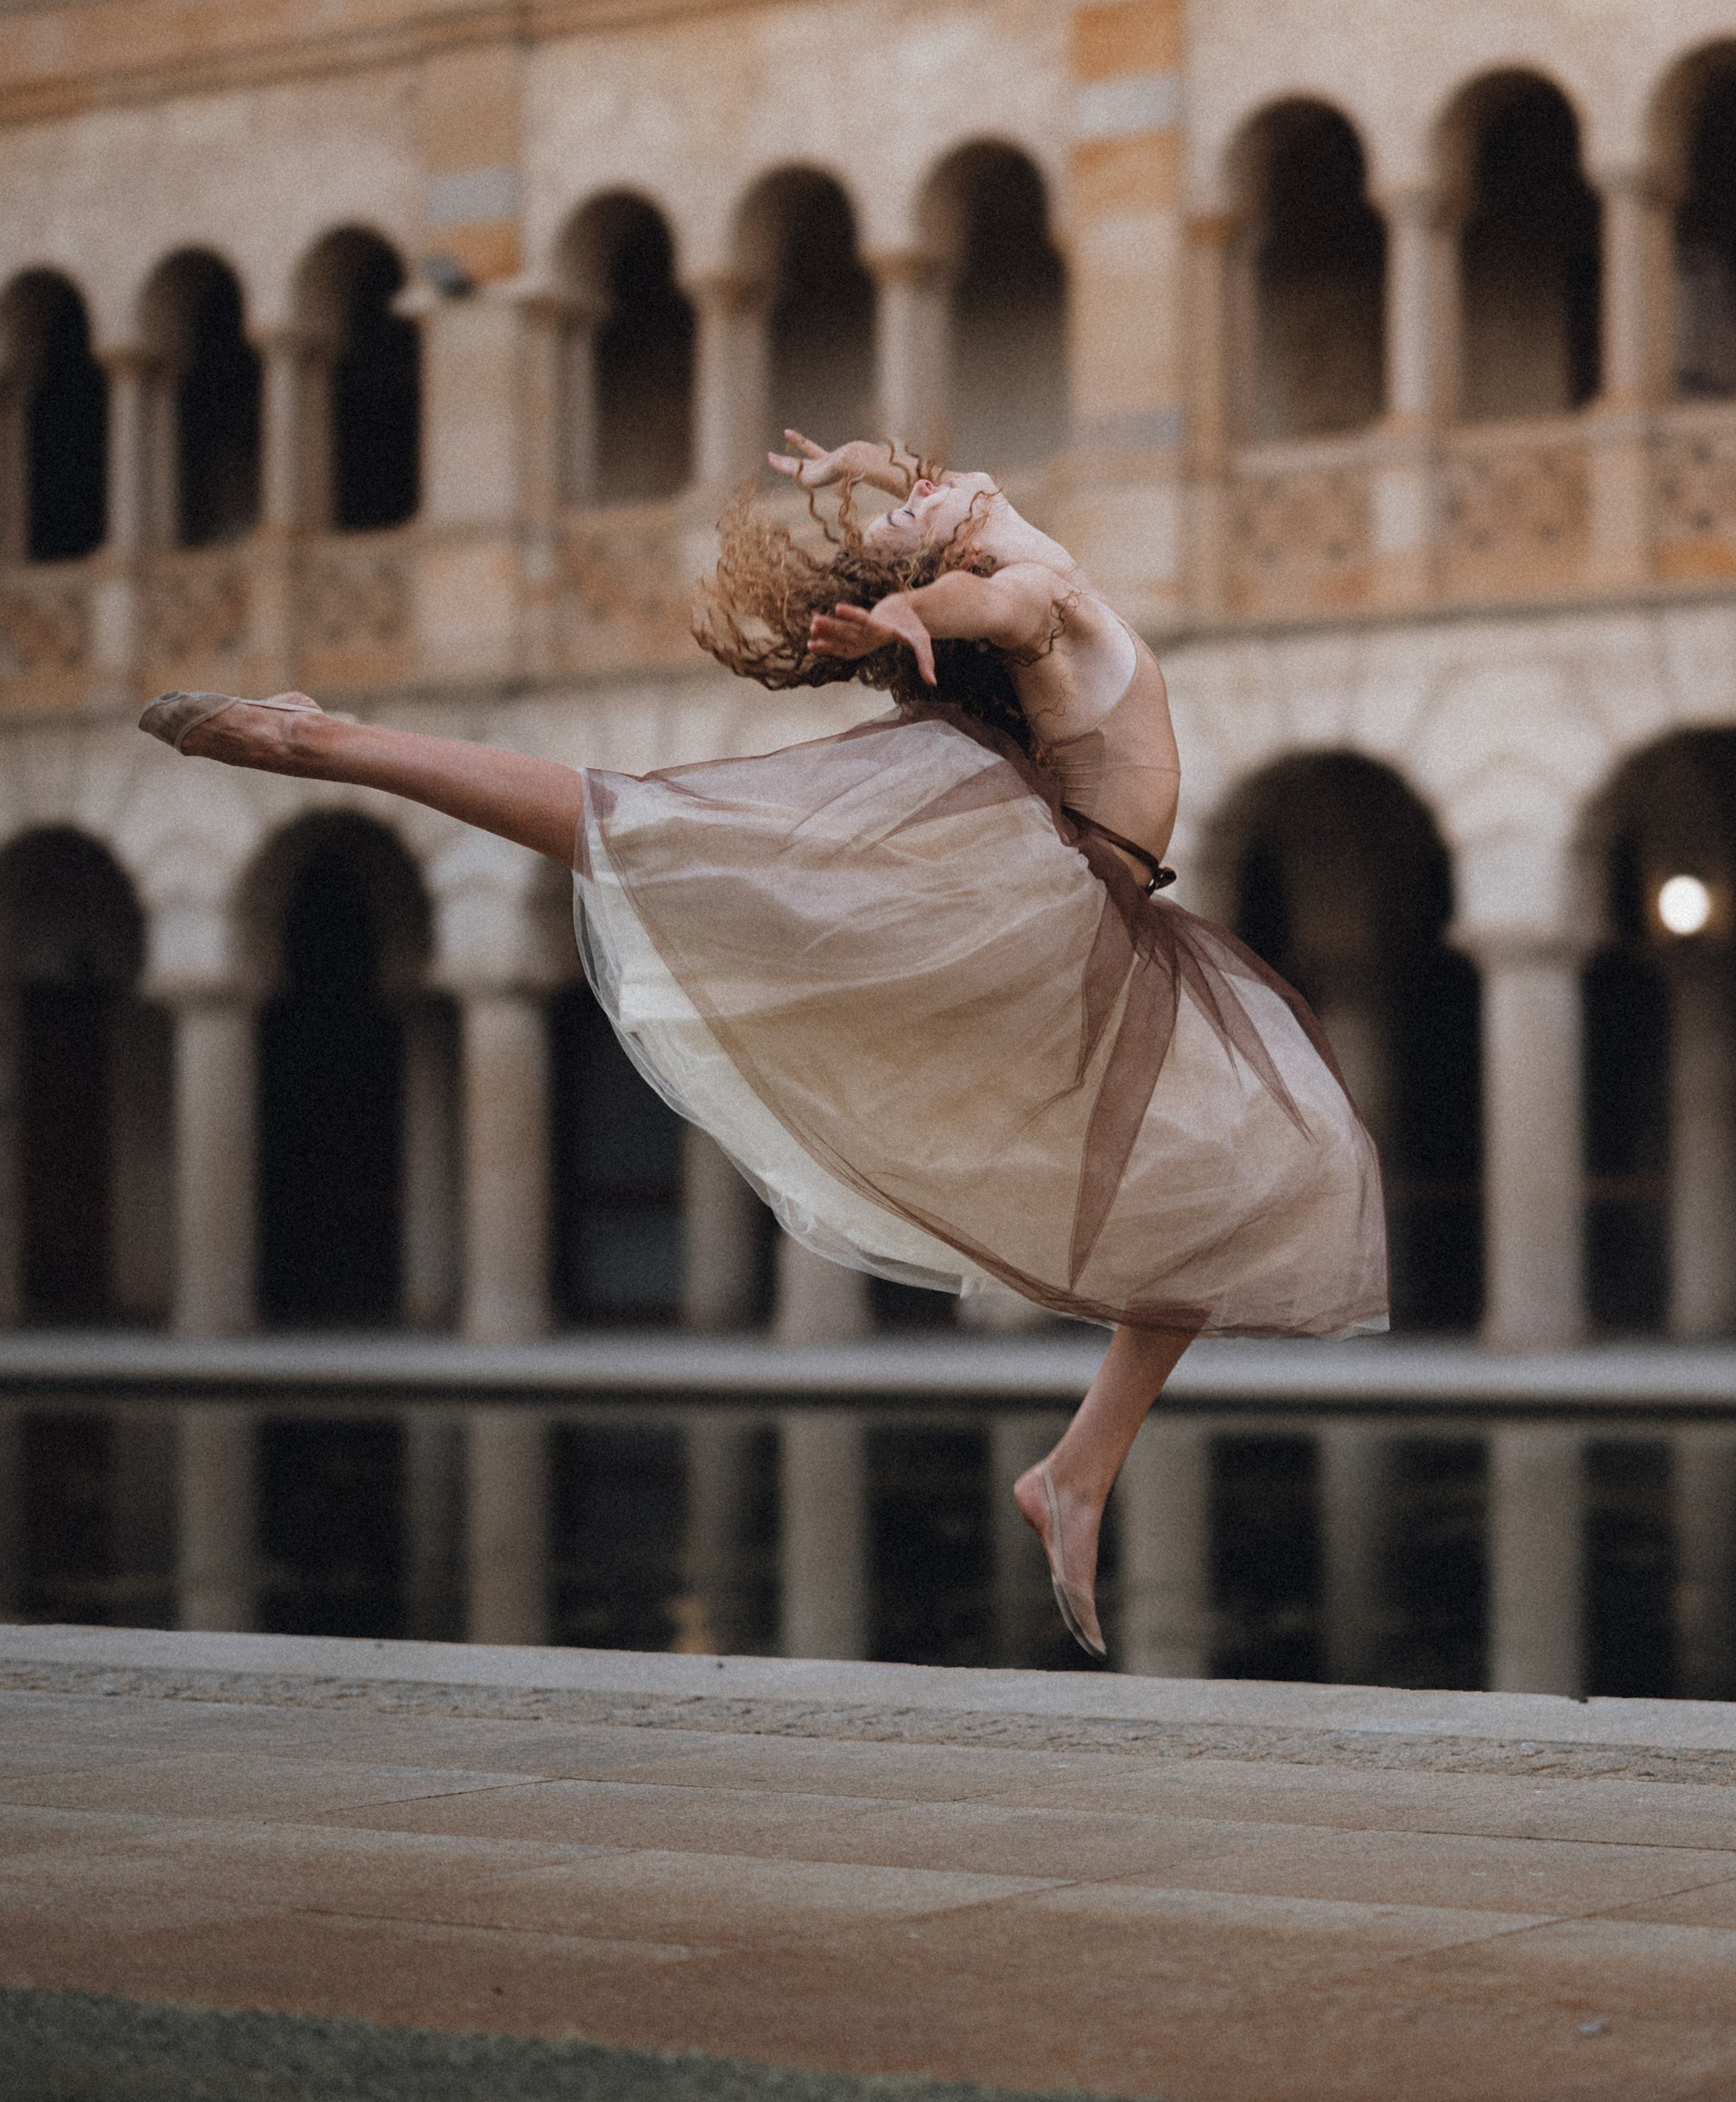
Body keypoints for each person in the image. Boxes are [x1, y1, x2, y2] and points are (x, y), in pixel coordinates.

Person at [139, 434, 1387, 1657]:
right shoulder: (1036, 592)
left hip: (1080, 906)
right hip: (1043, 906)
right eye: (900, 520)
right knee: (651, 836)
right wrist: (914, 606)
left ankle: (1075, 1474)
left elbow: (953, 509)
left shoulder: (1006, 536)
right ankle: (320, 739)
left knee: (1220, 1181)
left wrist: (862, 469)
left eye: (905, 505)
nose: (907, 496)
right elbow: (989, 598)